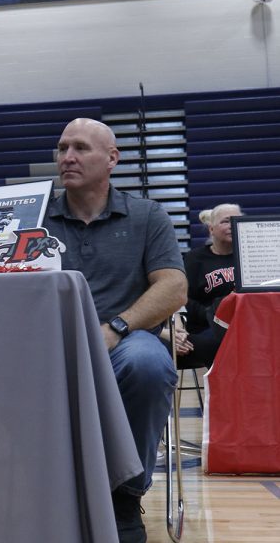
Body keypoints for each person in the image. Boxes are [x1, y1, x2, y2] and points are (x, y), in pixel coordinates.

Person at [43, 118, 187, 543]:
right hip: (44, 343)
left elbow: (174, 286)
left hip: (122, 341)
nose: (67, 157)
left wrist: (117, 327)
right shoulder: (33, 215)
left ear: (112, 159)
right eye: (62, 147)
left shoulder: (147, 215)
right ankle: (37, 492)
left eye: (81, 148)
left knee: (146, 362)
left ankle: (124, 495)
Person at [174, 203, 242, 368]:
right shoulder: (194, 259)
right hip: (206, 327)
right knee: (225, 345)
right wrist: (211, 315)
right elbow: (182, 298)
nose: (232, 225)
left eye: (236, 220)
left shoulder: (249, 255)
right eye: (226, 221)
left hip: (244, 324)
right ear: (211, 229)